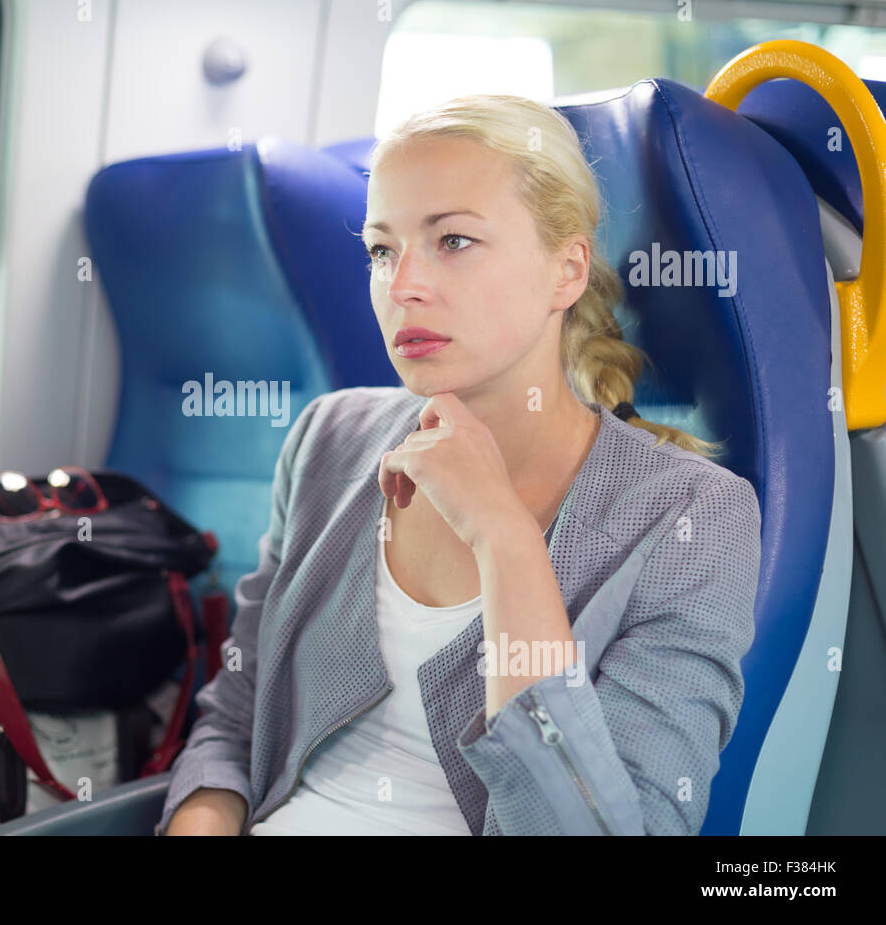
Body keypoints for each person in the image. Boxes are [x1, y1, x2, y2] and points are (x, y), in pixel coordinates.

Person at [158, 94, 762, 835]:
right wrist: (202, 821)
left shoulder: (693, 516)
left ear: (567, 270)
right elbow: (238, 715)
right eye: (382, 250)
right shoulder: (330, 436)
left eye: (453, 241)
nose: (402, 285)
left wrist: (504, 537)